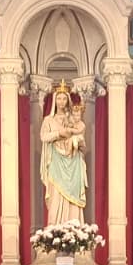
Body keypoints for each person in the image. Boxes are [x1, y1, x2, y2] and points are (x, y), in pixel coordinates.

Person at [40, 84, 87, 226]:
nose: (61, 102)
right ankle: (55, 227)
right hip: (56, 159)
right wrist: (59, 133)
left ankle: (74, 227)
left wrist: (77, 140)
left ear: (68, 101)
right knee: (56, 194)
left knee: (72, 195)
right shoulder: (48, 120)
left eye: (64, 99)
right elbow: (43, 137)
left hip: (73, 160)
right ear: (55, 101)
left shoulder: (73, 119)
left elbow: (81, 139)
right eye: (59, 98)